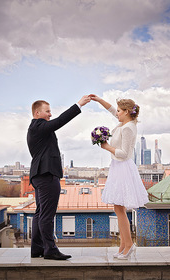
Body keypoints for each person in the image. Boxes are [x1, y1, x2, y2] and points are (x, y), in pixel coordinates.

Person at [27, 96, 91, 260]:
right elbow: (60, 121)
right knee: (46, 215)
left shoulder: (36, 128)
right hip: (46, 175)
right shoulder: (39, 126)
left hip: (39, 175)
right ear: (37, 112)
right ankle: (50, 250)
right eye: (47, 111)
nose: (50, 114)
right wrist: (78, 105)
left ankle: (37, 249)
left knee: (40, 213)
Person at [90, 95, 149, 260]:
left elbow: (124, 153)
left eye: (119, 111)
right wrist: (99, 100)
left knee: (120, 209)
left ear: (126, 112)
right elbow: (110, 109)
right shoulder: (126, 123)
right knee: (118, 209)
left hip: (122, 168)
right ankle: (124, 244)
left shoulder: (128, 128)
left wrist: (107, 146)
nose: (116, 113)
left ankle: (129, 245)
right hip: (118, 168)